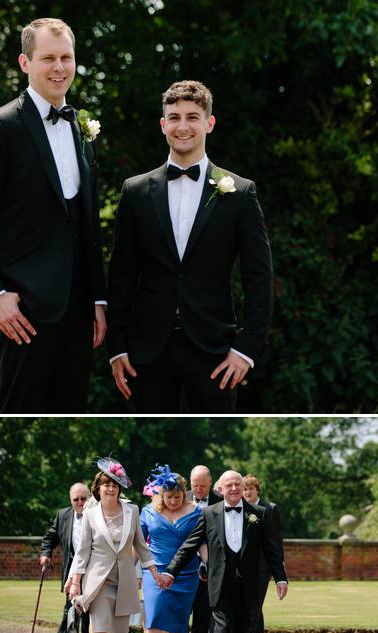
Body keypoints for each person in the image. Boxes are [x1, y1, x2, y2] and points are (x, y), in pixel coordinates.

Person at [0, 17, 107, 412]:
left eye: (67, 58)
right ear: (25, 63)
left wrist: (98, 299)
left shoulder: (80, 129)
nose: (59, 67)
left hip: (78, 309)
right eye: (48, 58)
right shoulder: (0, 126)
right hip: (24, 311)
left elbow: (87, 225)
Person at [106, 80, 272, 413]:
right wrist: (117, 348)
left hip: (214, 349)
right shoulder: (135, 191)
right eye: (175, 117)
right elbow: (121, 274)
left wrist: (246, 350)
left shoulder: (239, 193)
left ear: (209, 123)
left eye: (193, 117)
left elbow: (259, 277)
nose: (183, 126)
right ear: (163, 124)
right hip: (147, 351)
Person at [161, 471, 288, 633]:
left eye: (237, 484)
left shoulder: (258, 514)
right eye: (228, 485)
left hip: (248, 585)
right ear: (220, 488)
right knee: (221, 631)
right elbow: (190, 545)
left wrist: (281, 577)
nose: (234, 488)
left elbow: (272, 550)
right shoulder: (209, 513)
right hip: (219, 583)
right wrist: (171, 570)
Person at [68, 457, 160, 633]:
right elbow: (83, 550)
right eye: (106, 484)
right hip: (97, 579)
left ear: (119, 488)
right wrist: (76, 580)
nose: (110, 488)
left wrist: (153, 571)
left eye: (115, 485)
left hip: (126, 578)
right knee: (100, 628)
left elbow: (141, 545)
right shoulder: (90, 514)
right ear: (98, 487)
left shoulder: (133, 510)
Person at [139, 467, 207, 633]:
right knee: (154, 619)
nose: (174, 501)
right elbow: (138, 543)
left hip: (187, 574)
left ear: (183, 492)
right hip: (155, 572)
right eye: (169, 497)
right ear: (160, 495)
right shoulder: (148, 512)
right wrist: (126, 567)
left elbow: (201, 543)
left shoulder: (196, 512)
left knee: (179, 622)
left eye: (178, 496)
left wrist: (207, 564)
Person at [40, 481, 94, 633]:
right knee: (71, 606)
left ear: (90, 498)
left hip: (95, 568)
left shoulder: (97, 514)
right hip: (72, 571)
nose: (80, 502)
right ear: (71, 500)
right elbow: (50, 537)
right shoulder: (62, 515)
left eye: (83, 498)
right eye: (76, 499)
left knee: (89, 609)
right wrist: (45, 554)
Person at [182, 464, 222, 633]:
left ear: (210, 482)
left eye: (202, 486)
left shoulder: (221, 501)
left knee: (202, 621)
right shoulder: (181, 498)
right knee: (180, 619)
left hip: (210, 571)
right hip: (185, 569)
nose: (198, 490)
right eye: (195, 485)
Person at [242, 474, 283, 633]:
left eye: (250, 488)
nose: (247, 492)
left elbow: (276, 539)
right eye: (245, 489)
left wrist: (279, 566)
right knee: (249, 601)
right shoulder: (240, 508)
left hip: (263, 565)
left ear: (257, 489)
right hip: (244, 565)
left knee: (255, 601)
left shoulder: (270, 509)